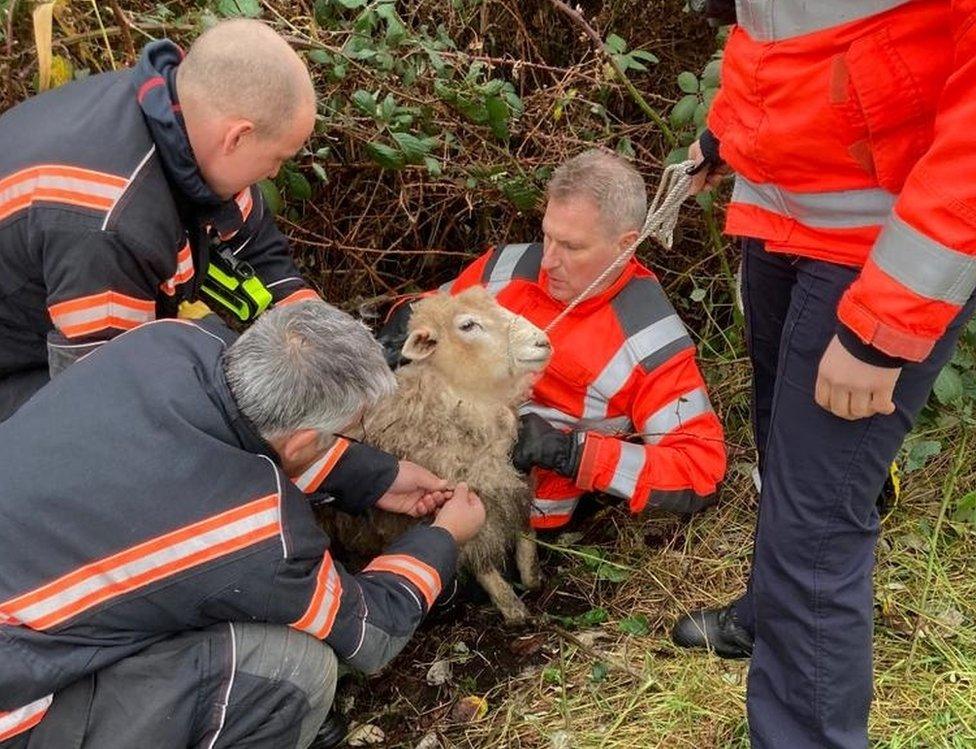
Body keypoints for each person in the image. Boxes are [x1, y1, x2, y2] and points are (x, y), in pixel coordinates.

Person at [671, 2, 976, 748]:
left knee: (816, 522)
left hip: (883, 242)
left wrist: (883, 325)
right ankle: (768, 614)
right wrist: (728, 130)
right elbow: (779, 30)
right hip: (785, 215)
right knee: (782, 447)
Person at [0, 301, 486, 748]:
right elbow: (369, 632)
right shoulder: (256, 532)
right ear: (302, 442)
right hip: (18, 716)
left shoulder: (167, 341)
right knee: (295, 671)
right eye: (347, 432)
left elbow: (239, 426)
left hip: (23, 614)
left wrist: (378, 477)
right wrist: (441, 539)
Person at [381, 149, 727, 530]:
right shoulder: (504, 266)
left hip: (517, 530)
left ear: (625, 244)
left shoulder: (649, 341)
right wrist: (403, 319)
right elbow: (435, 308)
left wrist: (569, 453)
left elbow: (700, 469)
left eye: (572, 247)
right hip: (413, 481)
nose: (547, 261)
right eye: (547, 236)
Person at [0, 19, 322, 421]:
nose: (275, 173)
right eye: (278, 158)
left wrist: (317, 331)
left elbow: (254, 245)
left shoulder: (180, 117)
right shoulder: (113, 225)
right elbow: (107, 398)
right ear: (237, 137)